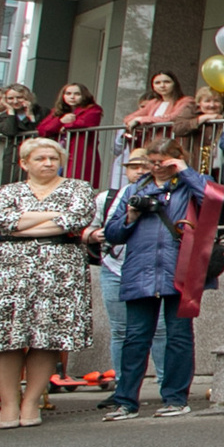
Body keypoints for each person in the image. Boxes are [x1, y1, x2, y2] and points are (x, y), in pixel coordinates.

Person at [0, 137, 99, 427]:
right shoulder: (6, 191)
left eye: (53, 158)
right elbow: (1, 221)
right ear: (25, 163)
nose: (48, 163)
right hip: (9, 267)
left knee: (47, 336)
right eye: (40, 158)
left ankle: (31, 403)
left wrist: (24, 222)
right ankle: (9, 404)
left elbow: (76, 219)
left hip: (60, 266)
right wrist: (53, 216)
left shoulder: (79, 188)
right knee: (6, 338)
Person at [101, 139, 202, 420]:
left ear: (176, 159)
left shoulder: (189, 185)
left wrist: (184, 172)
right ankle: (126, 400)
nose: (157, 168)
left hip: (179, 269)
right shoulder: (135, 190)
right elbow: (112, 233)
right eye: (152, 162)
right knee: (135, 338)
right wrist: (131, 215)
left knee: (179, 336)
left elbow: (212, 200)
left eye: (163, 162)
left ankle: (175, 398)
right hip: (139, 270)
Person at [88, 148, 160, 400]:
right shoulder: (106, 198)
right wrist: (93, 235)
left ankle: (163, 384)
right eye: (133, 166)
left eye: (145, 166)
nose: (139, 171)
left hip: (149, 268)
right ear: (125, 169)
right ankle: (122, 387)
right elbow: (89, 228)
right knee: (120, 329)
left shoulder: (162, 194)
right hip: (113, 267)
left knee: (160, 330)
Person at [34, 83, 104, 183]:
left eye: (77, 94)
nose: (72, 97)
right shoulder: (57, 111)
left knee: (74, 183)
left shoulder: (93, 109)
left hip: (79, 152)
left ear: (84, 95)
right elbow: (42, 129)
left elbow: (86, 123)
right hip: (57, 152)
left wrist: (64, 126)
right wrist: (60, 121)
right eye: (68, 93)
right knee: (52, 182)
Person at [123, 71, 195, 148]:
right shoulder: (154, 103)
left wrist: (142, 120)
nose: (162, 86)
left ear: (175, 84)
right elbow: (128, 118)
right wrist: (137, 120)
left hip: (172, 144)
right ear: (153, 86)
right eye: (157, 83)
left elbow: (173, 117)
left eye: (167, 82)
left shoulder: (187, 101)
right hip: (151, 145)